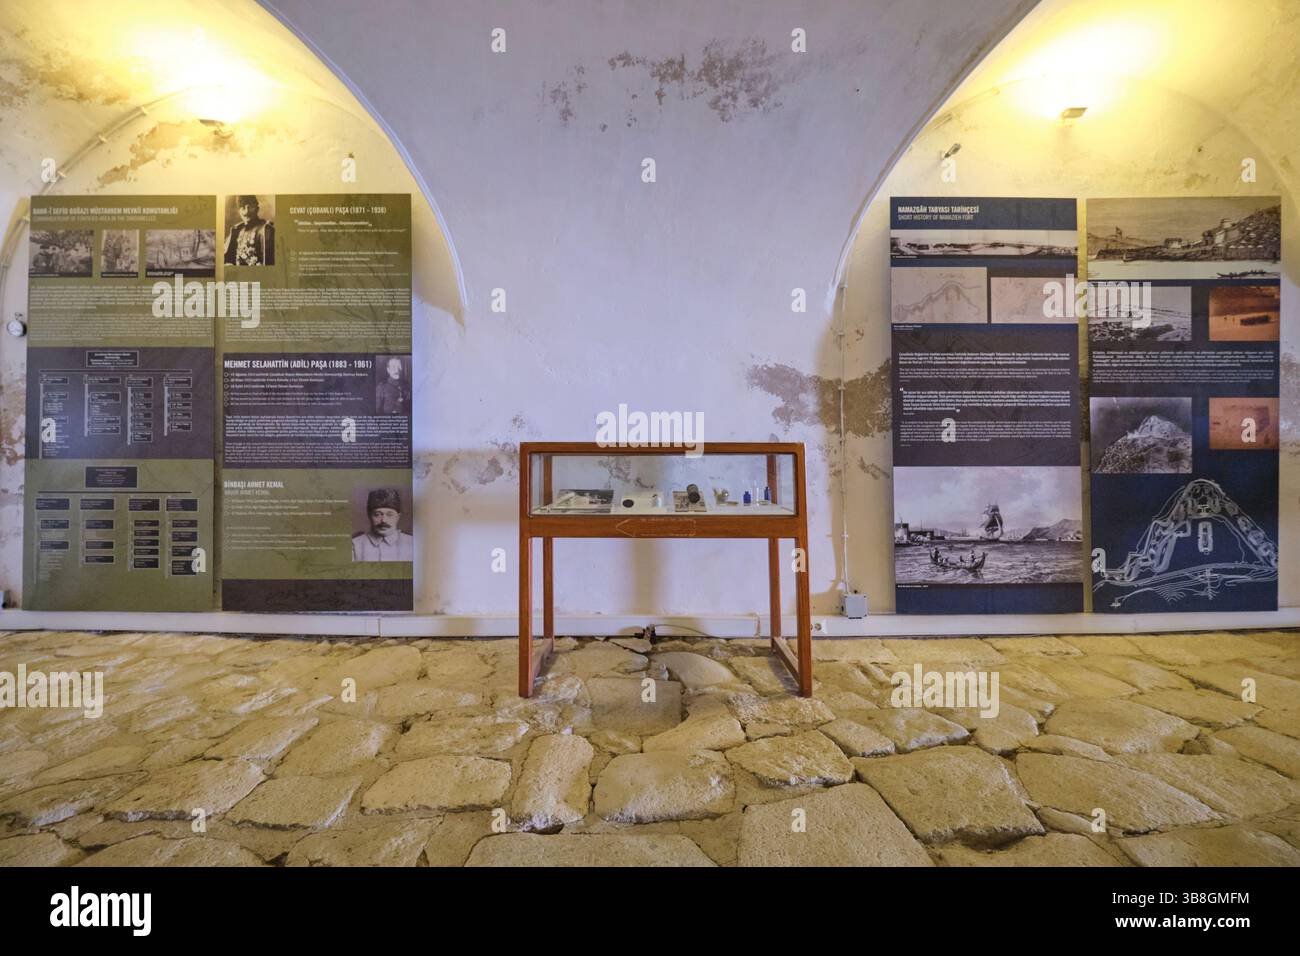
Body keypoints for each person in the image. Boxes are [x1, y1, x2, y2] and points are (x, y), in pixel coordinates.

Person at [352, 488, 414, 561]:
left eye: (389, 515)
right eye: (377, 514)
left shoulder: (412, 543)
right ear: (369, 516)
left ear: (398, 517)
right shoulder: (355, 545)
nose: (383, 520)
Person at [223, 195, 275, 266]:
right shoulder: (237, 230)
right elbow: (227, 259)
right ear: (239, 211)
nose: (246, 212)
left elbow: (269, 264)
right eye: (243, 208)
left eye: (250, 207)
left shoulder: (266, 230)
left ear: (257, 208)